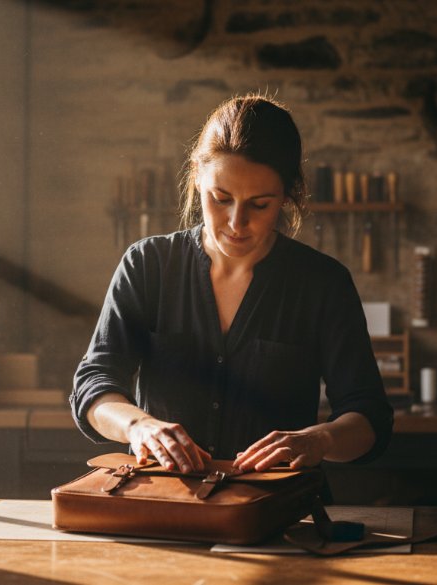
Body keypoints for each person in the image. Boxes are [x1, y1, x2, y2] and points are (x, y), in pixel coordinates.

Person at [70, 94, 393, 474]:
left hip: (276, 517)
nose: (236, 223)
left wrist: (320, 439)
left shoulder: (322, 283)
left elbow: (369, 416)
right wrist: (138, 425)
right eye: (220, 199)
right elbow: (94, 384)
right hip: (163, 508)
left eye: (260, 205)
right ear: (196, 176)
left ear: (288, 195)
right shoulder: (148, 265)